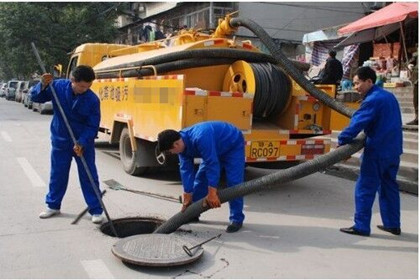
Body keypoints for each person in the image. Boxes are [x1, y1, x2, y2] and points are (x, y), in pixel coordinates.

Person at [32, 65, 104, 224]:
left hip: (83, 144)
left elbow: (93, 125)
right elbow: (36, 98)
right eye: (82, 86)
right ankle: (53, 205)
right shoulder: (57, 87)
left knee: (89, 175)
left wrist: (82, 142)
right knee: (58, 174)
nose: (85, 89)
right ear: (72, 80)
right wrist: (42, 85)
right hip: (61, 140)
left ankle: (96, 210)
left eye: (88, 86)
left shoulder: (92, 100)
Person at [338, 66, 403, 237]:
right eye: (354, 83)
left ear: (369, 81)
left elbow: (357, 123)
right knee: (389, 186)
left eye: (358, 83)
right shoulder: (388, 96)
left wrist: (342, 142)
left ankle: (361, 226)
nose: (356, 87)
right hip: (394, 150)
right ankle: (393, 225)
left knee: (365, 187)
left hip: (378, 151)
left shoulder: (372, 100)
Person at [157, 121, 245, 233]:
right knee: (200, 181)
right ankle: (194, 212)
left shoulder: (200, 137)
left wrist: (212, 193)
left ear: (176, 144)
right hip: (213, 149)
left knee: (234, 183)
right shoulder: (182, 147)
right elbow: (186, 171)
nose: (172, 153)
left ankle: (236, 219)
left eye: (170, 151)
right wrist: (187, 195)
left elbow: (212, 164)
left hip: (231, 144)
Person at [406, 48, 418, 125]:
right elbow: (410, 63)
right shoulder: (416, 55)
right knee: (416, 100)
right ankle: (417, 118)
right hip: (417, 81)